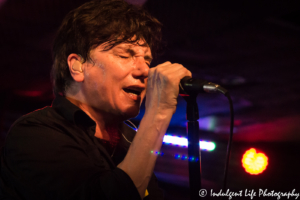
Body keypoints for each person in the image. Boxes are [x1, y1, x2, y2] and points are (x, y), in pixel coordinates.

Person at [0, 0, 191, 199]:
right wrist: (159, 111)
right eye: (125, 55)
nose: (145, 70)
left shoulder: (132, 140)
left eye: (147, 60)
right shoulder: (35, 133)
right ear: (78, 67)